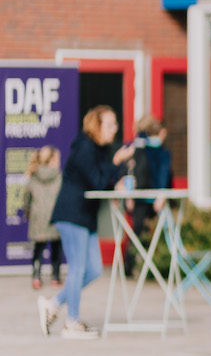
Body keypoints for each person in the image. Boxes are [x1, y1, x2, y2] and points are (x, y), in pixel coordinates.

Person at [39, 106, 135, 340]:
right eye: (110, 124)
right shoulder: (83, 147)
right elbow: (98, 180)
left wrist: (117, 173)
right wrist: (116, 161)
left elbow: (105, 179)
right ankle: (71, 322)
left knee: (92, 270)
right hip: (72, 215)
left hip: (85, 218)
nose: (115, 129)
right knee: (77, 269)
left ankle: (53, 304)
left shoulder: (100, 149)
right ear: (97, 126)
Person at [122, 115, 172, 280]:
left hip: (144, 197)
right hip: (146, 197)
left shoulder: (140, 148)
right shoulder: (148, 148)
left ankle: (136, 266)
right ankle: (138, 266)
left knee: (139, 232)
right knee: (142, 233)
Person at [21, 146, 64, 290]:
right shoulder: (58, 176)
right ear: (52, 160)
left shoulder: (33, 175)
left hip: (38, 217)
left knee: (38, 249)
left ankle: (36, 277)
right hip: (55, 217)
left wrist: (27, 212)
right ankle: (55, 277)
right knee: (56, 248)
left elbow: (27, 198)